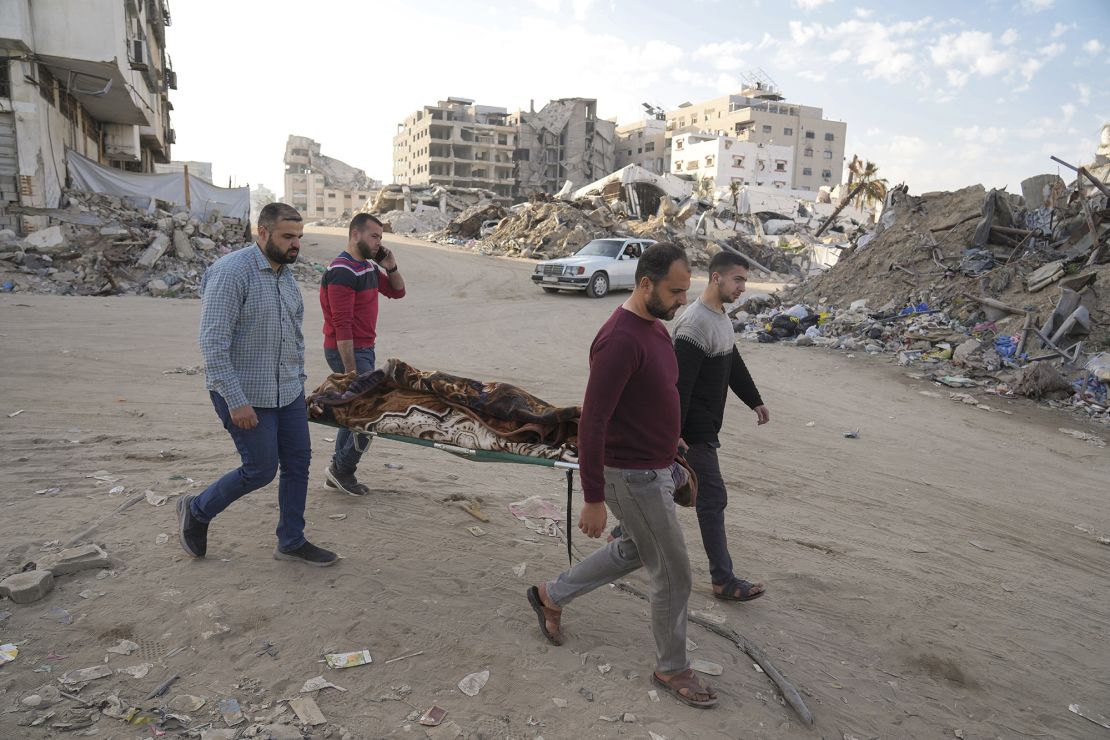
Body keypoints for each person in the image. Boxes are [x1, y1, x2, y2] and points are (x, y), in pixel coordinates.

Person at [526, 243, 720, 709]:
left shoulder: (654, 329)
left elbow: (651, 397)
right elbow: (594, 421)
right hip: (629, 476)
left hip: (654, 467)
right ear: (645, 283)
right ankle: (672, 667)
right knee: (674, 573)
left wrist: (671, 440)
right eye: (675, 292)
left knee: (635, 550)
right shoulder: (619, 339)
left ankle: (551, 595)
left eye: (685, 292)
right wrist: (593, 497)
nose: (681, 302)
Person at [178, 202, 338, 566]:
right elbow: (212, 344)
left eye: (299, 237)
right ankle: (197, 510)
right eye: (287, 236)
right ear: (262, 232)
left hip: (287, 391)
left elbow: (293, 338)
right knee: (261, 469)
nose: (295, 244)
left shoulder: (287, 277)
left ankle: (291, 541)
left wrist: (299, 385)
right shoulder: (232, 272)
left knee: (299, 463)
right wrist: (236, 400)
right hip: (244, 394)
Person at [673, 251, 769, 601]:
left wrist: (754, 400)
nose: (743, 287)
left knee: (666, 488)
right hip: (693, 431)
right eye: (738, 280)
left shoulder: (719, 318)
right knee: (712, 498)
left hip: (698, 428)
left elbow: (732, 362)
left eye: (744, 280)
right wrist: (675, 435)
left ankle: (623, 535)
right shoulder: (694, 324)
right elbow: (678, 386)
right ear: (717, 278)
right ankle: (723, 581)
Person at [319, 213, 406, 495]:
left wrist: (391, 266)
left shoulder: (366, 267)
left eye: (380, 237)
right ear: (355, 234)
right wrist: (350, 372)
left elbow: (398, 293)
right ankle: (342, 470)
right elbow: (342, 326)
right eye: (374, 236)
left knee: (354, 415)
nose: (378, 243)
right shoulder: (343, 270)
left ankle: (338, 470)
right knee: (369, 415)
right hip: (349, 351)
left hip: (364, 348)